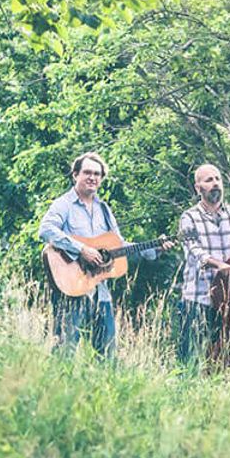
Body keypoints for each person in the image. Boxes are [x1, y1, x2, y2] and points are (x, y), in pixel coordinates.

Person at [36, 152, 163, 359]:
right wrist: (82, 249)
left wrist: (154, 247)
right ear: (75, 175)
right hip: (72, 289)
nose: (92, 177)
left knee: (107, 355)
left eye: (97, 174)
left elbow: (118, 245)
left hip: (100, 291)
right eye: (87, 172)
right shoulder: (64, 204)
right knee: (64, 353)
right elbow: (46, 229)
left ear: (101, 179)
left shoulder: (104, 209)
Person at [174, 162, 230, 365]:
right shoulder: (189, 217)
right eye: (209, 180)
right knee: (191, 359)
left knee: (225, 360)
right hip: (199, 298)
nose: (215, 184)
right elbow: (195, 251)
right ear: (198, 188)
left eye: (217, 179)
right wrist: (219, 265)